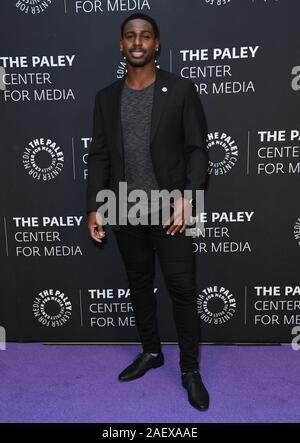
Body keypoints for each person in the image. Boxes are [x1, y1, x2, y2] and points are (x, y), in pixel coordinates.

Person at [86, 13, 209, 411]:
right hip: (124, 209)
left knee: (183, 292)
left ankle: (190, 370)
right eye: (129, 36)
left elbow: (197, 150)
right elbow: (100, 157)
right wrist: (96, 207)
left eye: (145, 36)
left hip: (170, 213)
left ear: (157, 44)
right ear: (121, 45)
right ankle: (152, 352)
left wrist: (188, 197)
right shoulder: (106, 97)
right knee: (139, 286)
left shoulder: (181, 90)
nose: (137, 42)